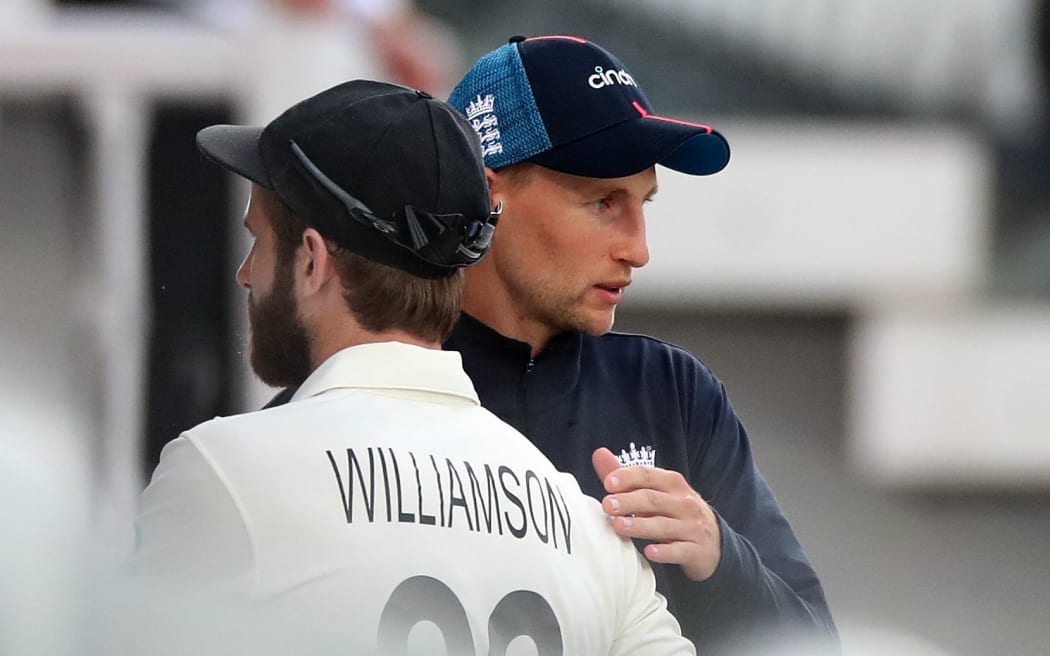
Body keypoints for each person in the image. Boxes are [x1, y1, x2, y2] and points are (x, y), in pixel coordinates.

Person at [132, 79, 695, 655]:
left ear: (312, 259)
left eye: (259, 242)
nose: (245, 272)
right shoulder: (590, 532)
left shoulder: (224, 473)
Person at [442, 35, 839, 651]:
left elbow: (815, 644)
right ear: (489, 194)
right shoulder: (375, 380)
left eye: (644, 203)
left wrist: (717, 554)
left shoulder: (672, 390)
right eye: (603, 202)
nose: (639, 249)